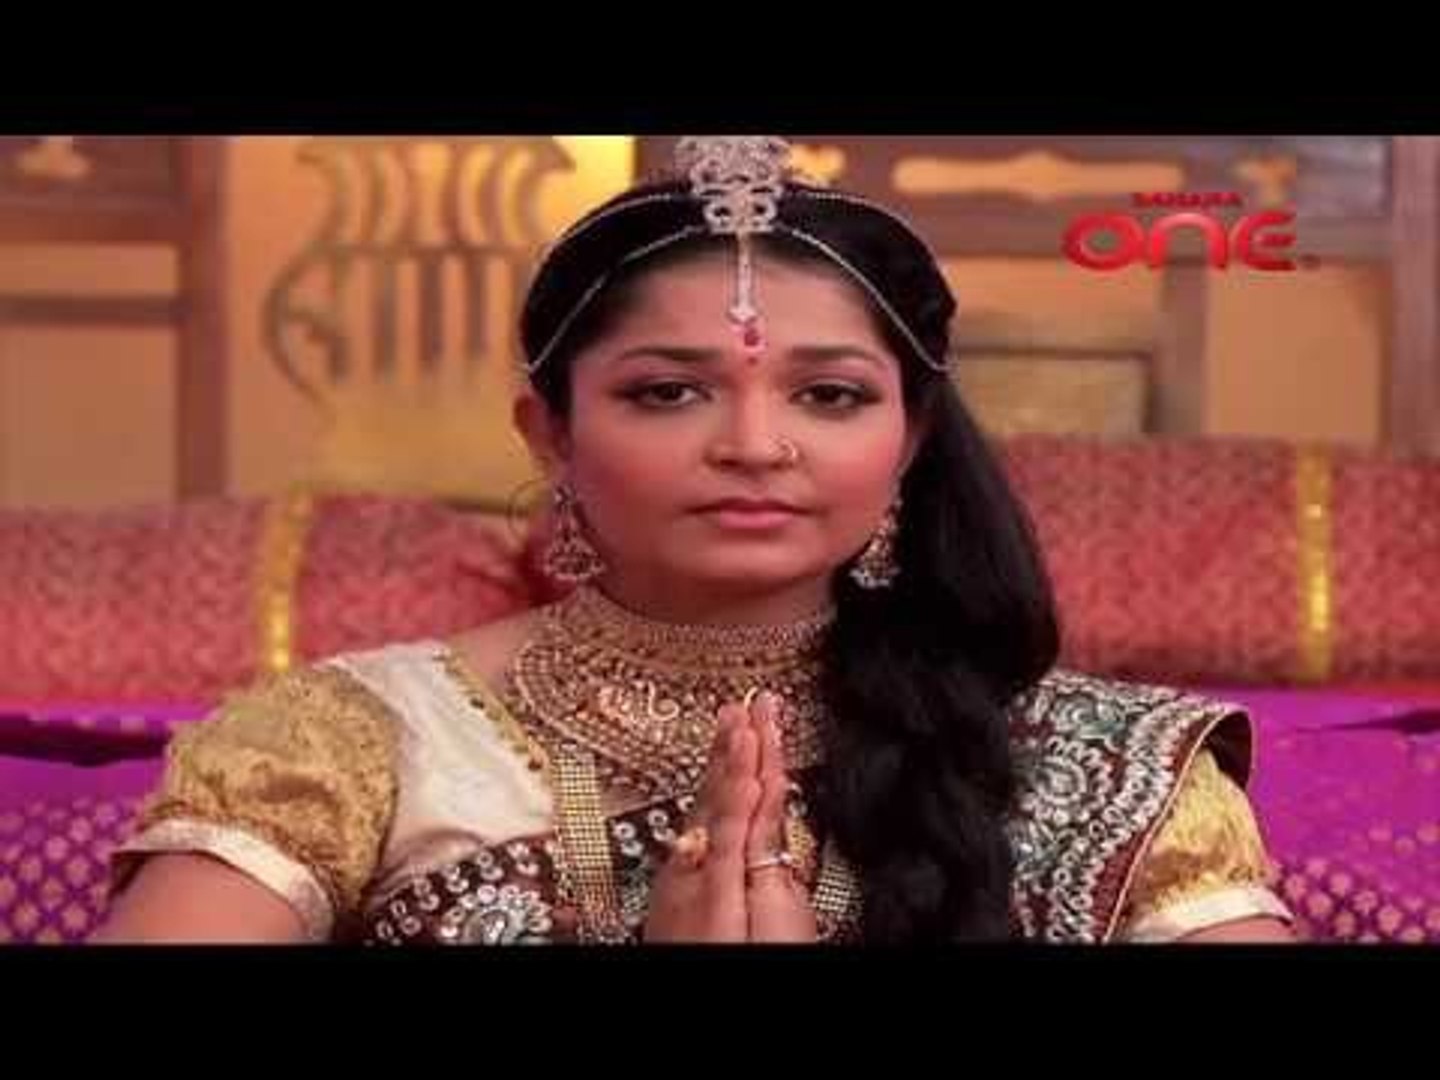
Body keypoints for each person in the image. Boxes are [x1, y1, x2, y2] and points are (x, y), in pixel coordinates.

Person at [95, 137, 1294, 944]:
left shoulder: (1102, 766)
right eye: (668, 392)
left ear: (911, 438)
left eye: (830, 396)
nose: (755, 445)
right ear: (550, 435)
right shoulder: (348, 745)